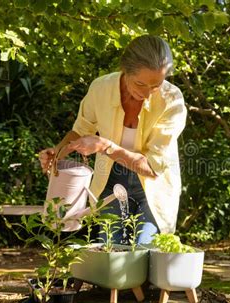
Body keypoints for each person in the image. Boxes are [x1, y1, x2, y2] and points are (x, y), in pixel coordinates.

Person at [39, 35, 187, 245]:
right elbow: (81, 130)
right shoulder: (101, 88)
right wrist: (57, 153)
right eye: (140, 84)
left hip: (154, 187)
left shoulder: (172, 100)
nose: (147, 94)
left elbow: (151, 168)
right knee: (110, 253)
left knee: (145, 252)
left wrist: (105, 146)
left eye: (156, 85)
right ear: (125, 70)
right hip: (110, 183)